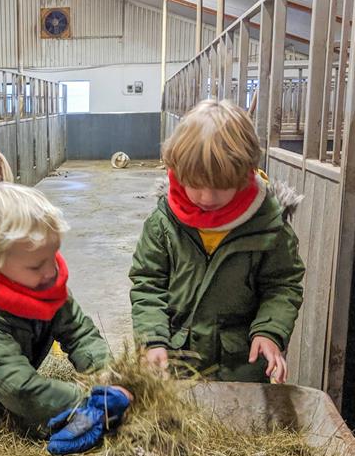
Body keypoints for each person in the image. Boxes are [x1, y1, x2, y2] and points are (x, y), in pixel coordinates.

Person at [0, 183, 131, 455]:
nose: (52, 271)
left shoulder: (41, 282)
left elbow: (79, 332)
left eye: (53, 256)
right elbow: (19, 386)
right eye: (37, 265)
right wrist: (86, 402)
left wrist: (107, 377)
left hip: (5, 399)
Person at [130, 99, 305, 383]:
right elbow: (149, 283)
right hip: (178, 362)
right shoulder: (164, 222)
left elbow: (282, 285)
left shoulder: (267, 226)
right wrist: (153, 340)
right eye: (196, 185)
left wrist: (269, 332)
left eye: (222, 186)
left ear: (244, 174)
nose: (207, 198)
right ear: (178, 171)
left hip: (240, 367)